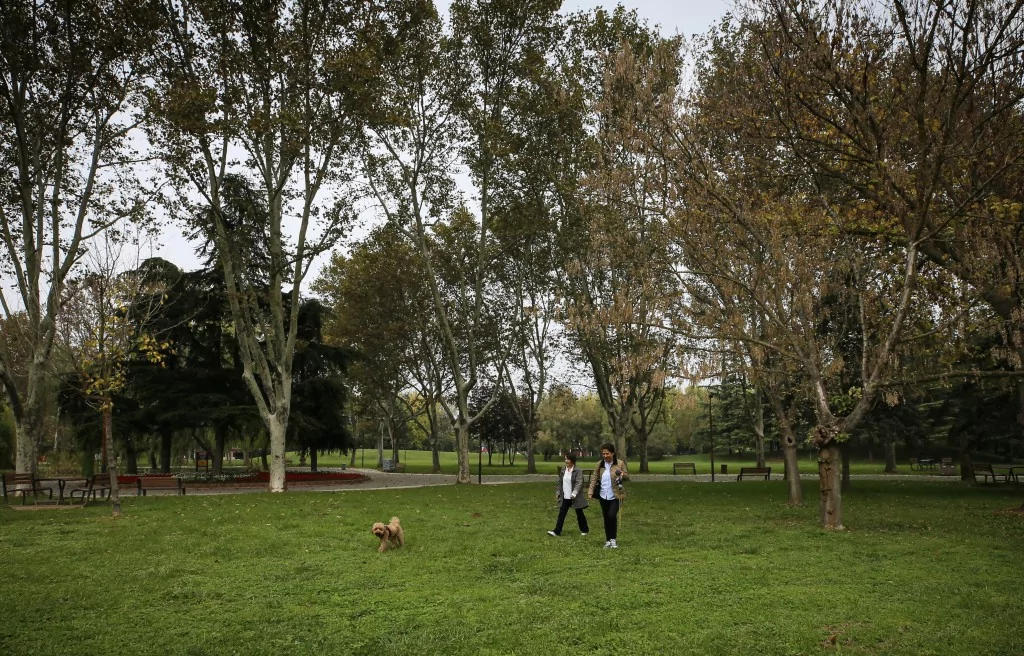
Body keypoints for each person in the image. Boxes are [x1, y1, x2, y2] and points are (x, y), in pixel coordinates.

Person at [587, 442, 628, 548]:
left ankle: (613, 539)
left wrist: (622, 475)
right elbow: (594, 478)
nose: (605, 456)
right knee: (606, 517)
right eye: (603, 454)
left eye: (607, 453)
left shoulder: (620, 463)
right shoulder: (600, 464)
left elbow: (627, 476)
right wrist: (590, 491)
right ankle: (608, 540)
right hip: (603, 495)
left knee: (611, 515)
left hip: (616, 495)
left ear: (613, 453)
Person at [548, 452, 589, 537]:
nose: (565, 460)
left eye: (567, 459)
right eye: (565, 459)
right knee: (561, 513)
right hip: (565, 496)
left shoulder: (578, 470)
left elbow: (579, 483)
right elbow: (560, 482)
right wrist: (558, 492)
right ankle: (557, 531)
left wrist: (574, 493)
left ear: (572, 460)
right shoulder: (563, 470)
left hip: (575, 497)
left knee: (579, 513)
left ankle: (585, 530)